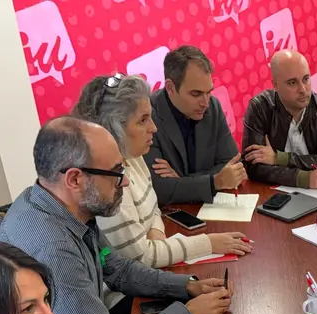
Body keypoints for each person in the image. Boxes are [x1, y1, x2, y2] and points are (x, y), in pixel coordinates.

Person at [0, 116, 232, 314]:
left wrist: (186, 285)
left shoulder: (58, 205)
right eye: (116, 173)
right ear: (75, 179)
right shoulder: (54, 248)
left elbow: (113, 267)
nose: (126, 182)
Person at [73, 73, 253, 267]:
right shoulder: (106, 184)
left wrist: (156, 237)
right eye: (142, 120)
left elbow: (154, 208)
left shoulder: (134, 156)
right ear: (113, 129)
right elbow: (141, 260)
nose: (153, 128)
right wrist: (209, 243)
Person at [144, 45, 247, 204]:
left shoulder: (213, 106)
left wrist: (182, 180)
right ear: (170, 87)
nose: (205, 102)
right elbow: (157, 189)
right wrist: (214, 182)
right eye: (196, 94)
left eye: (209, 92)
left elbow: (234, 167)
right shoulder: (147, 117)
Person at [242, 50, 317, 190]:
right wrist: (302, 178)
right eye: (292, 83)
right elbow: (252, 167)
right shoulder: (260, 108)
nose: (303, 89)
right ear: (275, 86)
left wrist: (279, 158)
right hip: (273, 191)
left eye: (306, 79)